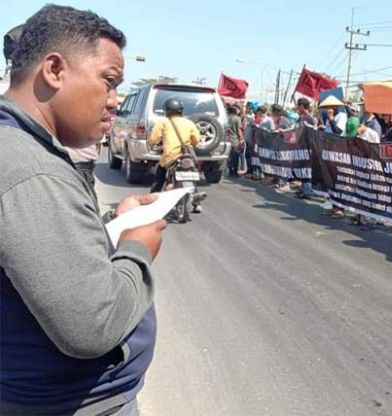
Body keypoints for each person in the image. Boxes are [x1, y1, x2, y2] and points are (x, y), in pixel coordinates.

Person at [0, 5, 166, 414]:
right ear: (54, 69)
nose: (114, 101)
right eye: (108, 83)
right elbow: (93, 325)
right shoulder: (31, 169)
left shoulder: (24, 150)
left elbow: (36, 248)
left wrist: (110, 221)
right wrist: (137, 247)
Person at [147, 98, 200, 193]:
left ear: (167, 111)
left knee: (158, 179)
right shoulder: (189, 123)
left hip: (170, 158)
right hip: (187, 156)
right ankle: (195, 198)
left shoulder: (163, 123)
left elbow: (153, 139)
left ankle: (152, 199)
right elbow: (196, 140)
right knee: (193, 172)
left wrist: (151, 144)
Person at [226, 104, 244, 177]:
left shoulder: (225, 118)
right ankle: (234, 171)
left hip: (226, 139)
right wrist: (241, 139)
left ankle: (230, 170)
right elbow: (239, 130)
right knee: (235, 156)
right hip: (234, 140)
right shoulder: (237, 118)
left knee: (229, 156)